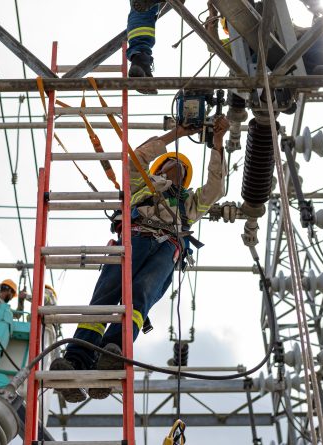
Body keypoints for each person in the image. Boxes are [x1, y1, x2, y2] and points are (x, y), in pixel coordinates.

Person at [50, 116, 230, 403]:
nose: (178, 167)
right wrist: (177, 133)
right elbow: (137, 158)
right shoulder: (142, 185)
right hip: (133, 238)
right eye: (172, 163)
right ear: (159, 167)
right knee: (106, 298)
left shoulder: (189, 203)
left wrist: (217, 144)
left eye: (182, 168)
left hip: (166, 248)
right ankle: (76, 360)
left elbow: (216, 187)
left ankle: (112, 354)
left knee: (139, 299)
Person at [127, 0, 323, 94]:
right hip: (283, 54)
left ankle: (139, 57)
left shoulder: (281, 24)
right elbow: (215, 46)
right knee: (322, 48)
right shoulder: (240, 41)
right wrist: (213, 17)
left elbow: (214, 45)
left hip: (289, 51)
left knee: (320, 48)